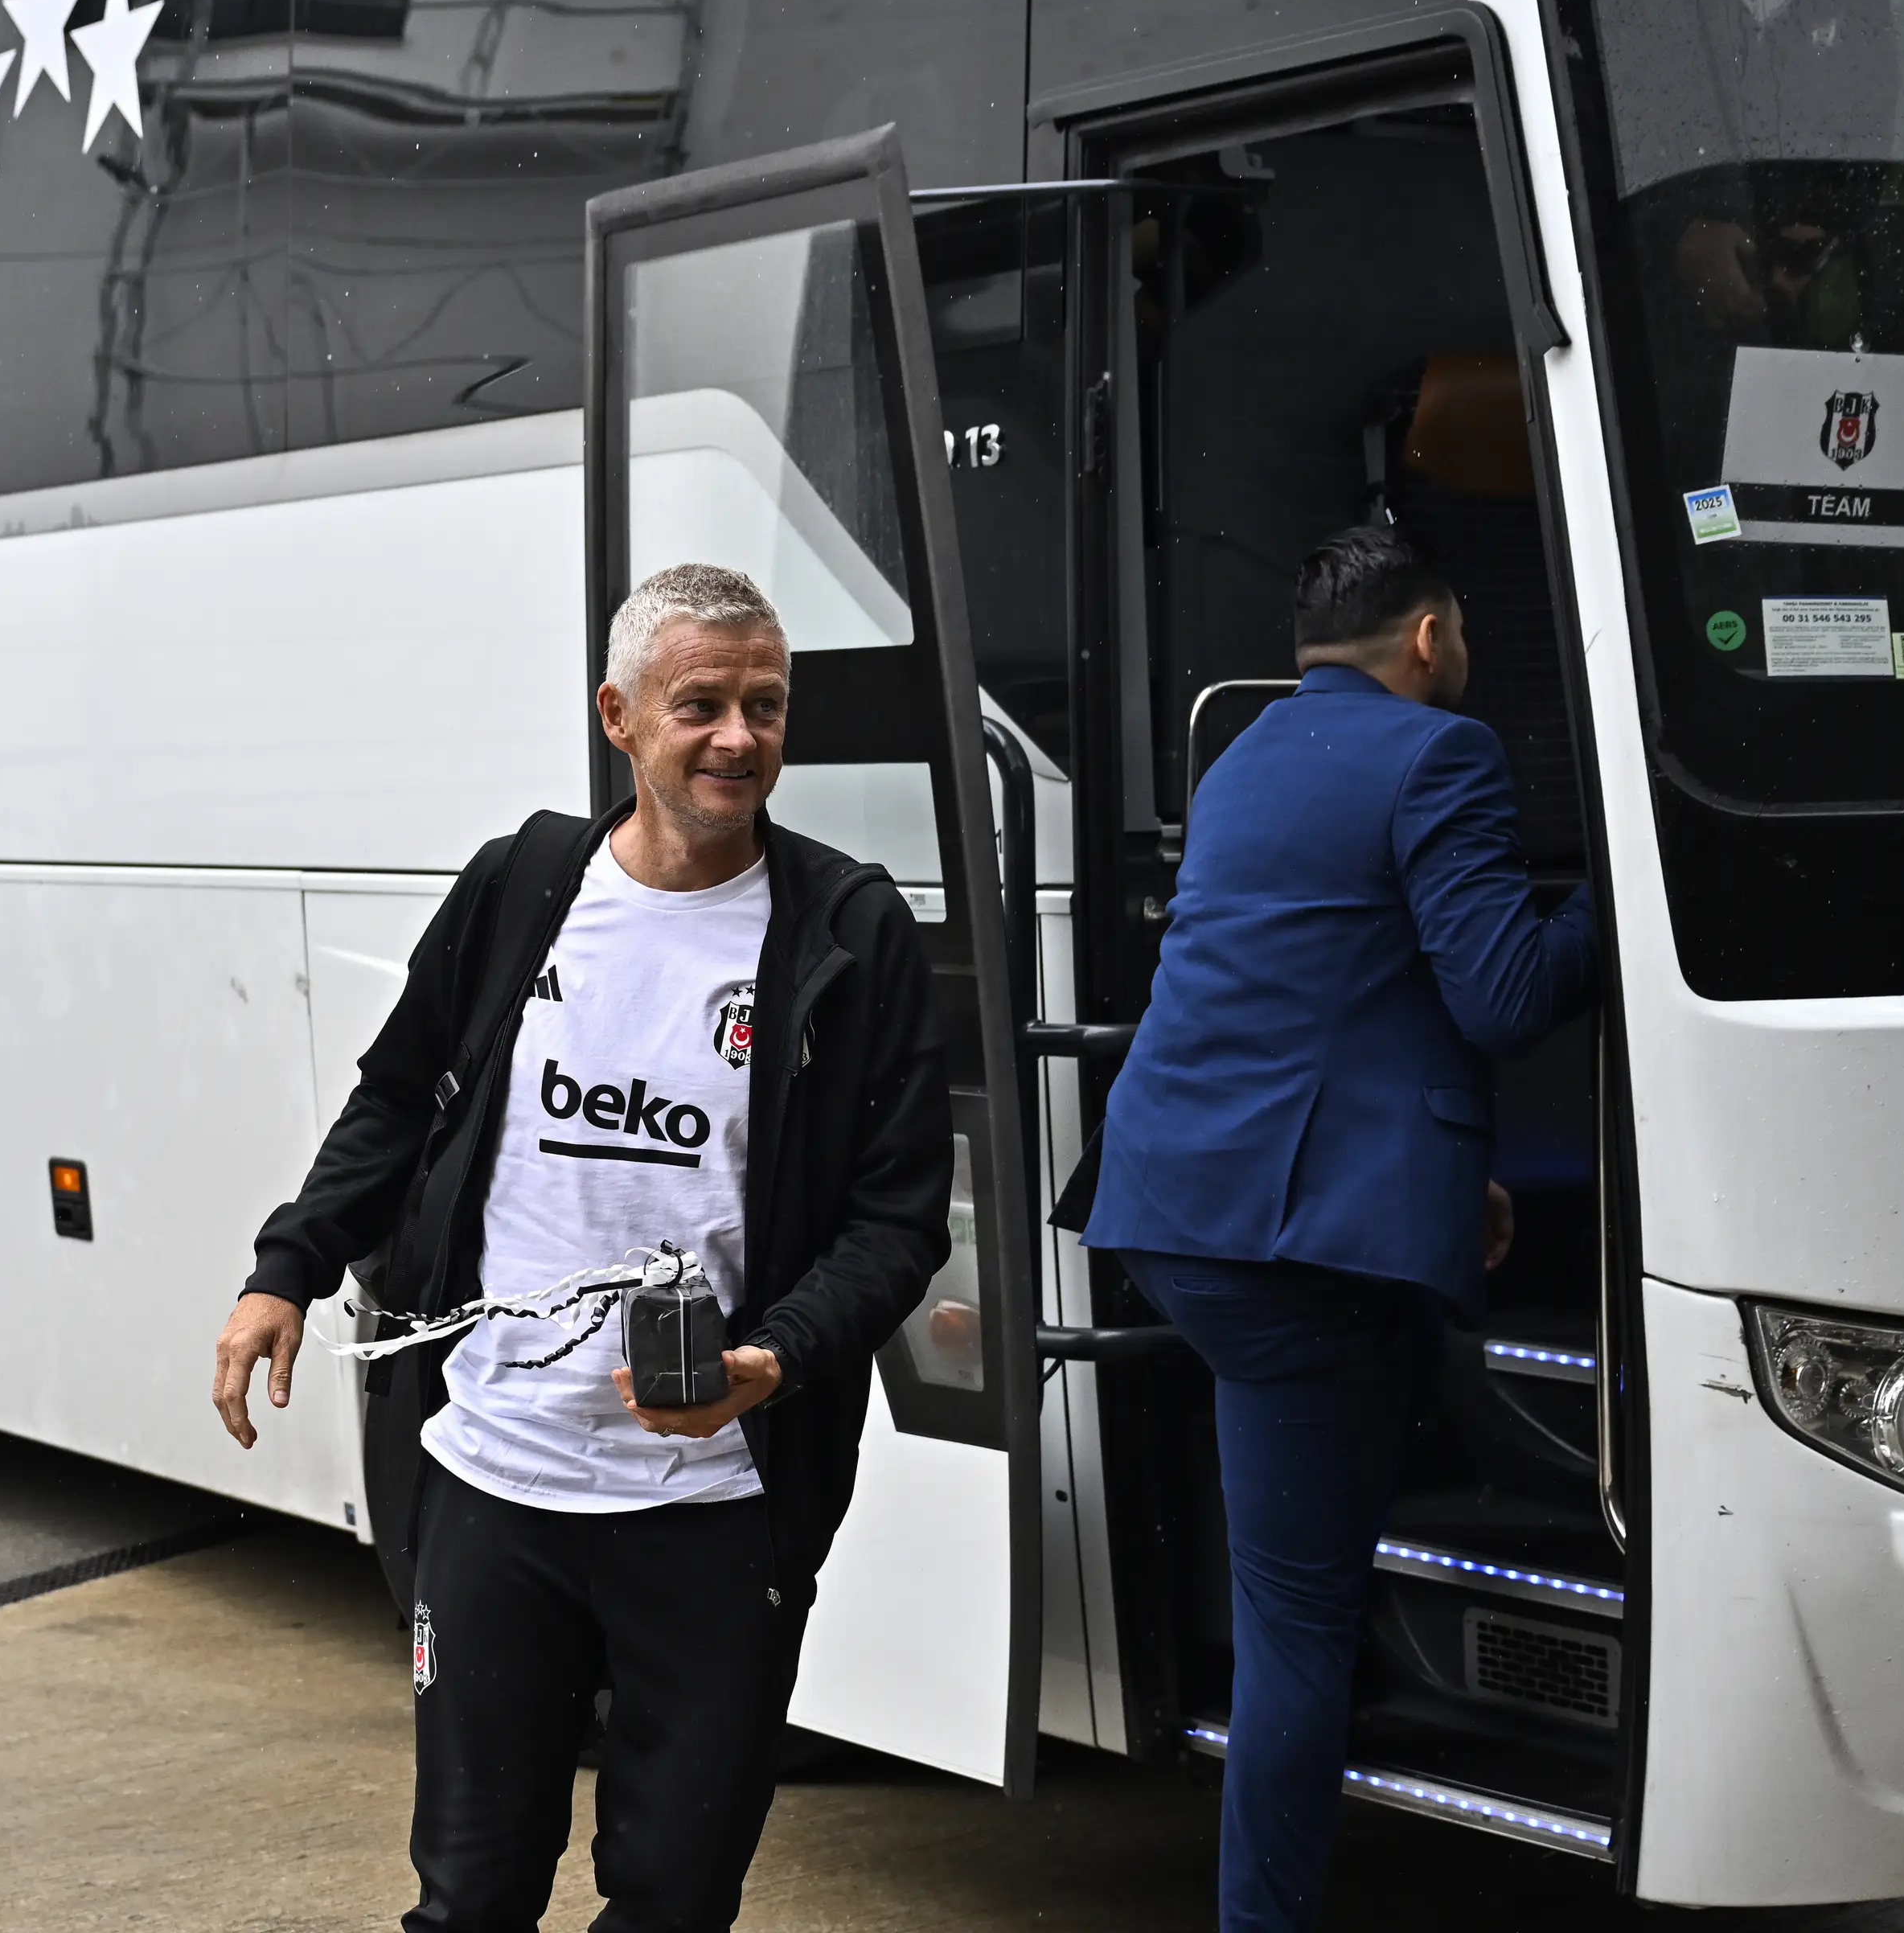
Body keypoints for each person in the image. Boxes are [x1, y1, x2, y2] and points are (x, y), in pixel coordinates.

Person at [209, 563, 952, 1933]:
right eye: (702, 705)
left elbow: (896, 1220)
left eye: (767, 705)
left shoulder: (849, 933)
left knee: (674, 1903)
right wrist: (287, 1268)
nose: (740, 737)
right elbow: (395, 1098)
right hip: (499, 1488)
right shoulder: (523, 888)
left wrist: (773, 1363)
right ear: (620, 717)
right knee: (472, 1894)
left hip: (719, 1514)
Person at [1079, 523, 1596, 1933]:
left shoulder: (1246, 757)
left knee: (1297, 1595)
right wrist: (1633, 896)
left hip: (1179, 1210)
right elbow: (1498, 997)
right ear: (1429, 638)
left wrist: (1438, 1179)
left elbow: (1317, 986)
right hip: (1293, 1249)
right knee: (1299, 1630)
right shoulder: (1445, 753)